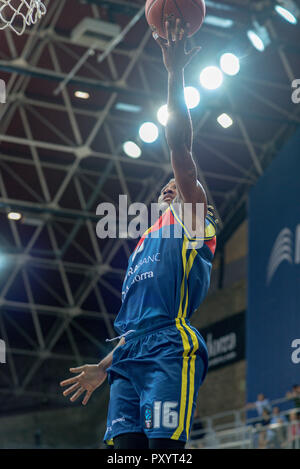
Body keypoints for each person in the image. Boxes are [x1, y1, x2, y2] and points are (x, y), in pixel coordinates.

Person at [60, 18, 217, 450]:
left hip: (170, 348)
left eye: (177, 184)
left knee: (164, 456)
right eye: (166, 186)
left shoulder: (191, 222)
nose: (169, 185)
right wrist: (105, 366)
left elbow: (181, 150)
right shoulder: (145, 242)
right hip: (130, 357)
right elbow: (134, 329)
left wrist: (174, 72)